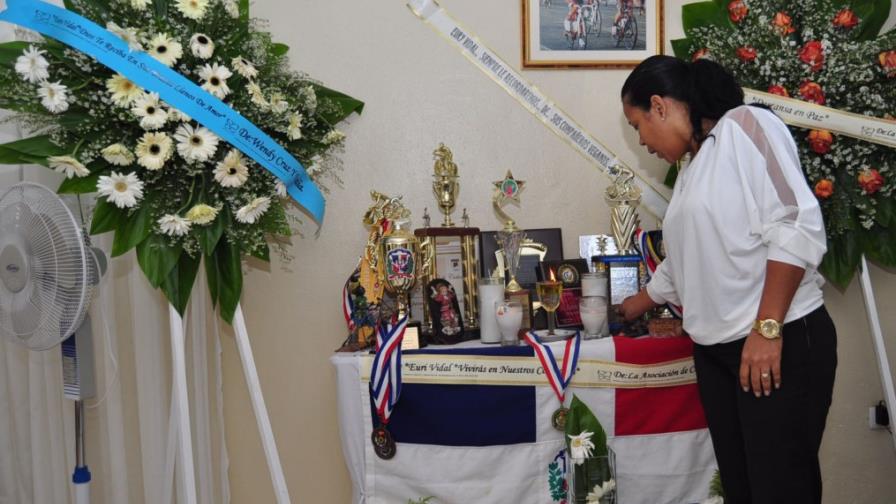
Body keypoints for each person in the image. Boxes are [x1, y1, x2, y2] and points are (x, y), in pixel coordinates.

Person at [617, 55, 837, 504]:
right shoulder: (692, 166)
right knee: (742, 491)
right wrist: (627, 307)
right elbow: (686, 258)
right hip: (717, 355)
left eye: (638, 125)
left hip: (775, 340)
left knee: (781, 490)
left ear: (659, 105)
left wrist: (767, 328)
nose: (641, 141)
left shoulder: (745, 126)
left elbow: (794, 223)